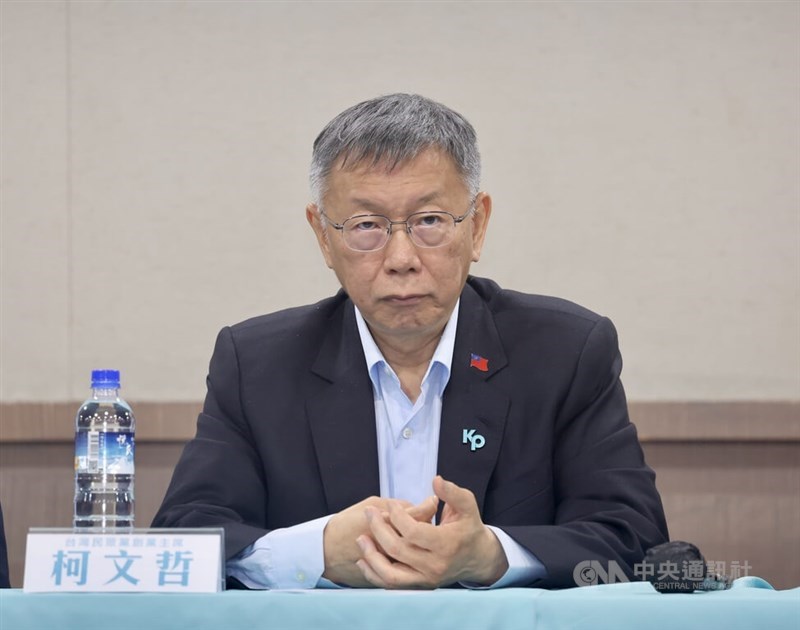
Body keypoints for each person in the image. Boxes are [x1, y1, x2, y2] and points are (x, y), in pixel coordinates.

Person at [152, 93, 668, 590]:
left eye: (429, 221)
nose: (401, 258)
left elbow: (635, 542)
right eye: (366, 226)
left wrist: (492, 556)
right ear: (323, 236)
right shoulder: (258, 364)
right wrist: (317, 552)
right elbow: (184, 538)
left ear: (477, 225)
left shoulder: (565, 352)